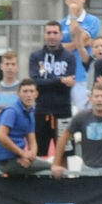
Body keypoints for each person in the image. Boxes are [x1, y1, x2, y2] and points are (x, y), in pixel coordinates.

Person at [52, 83, 102, 178]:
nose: (99, 99)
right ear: (90, 99)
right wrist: (56, 164)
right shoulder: (82, 116)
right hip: (88, 170)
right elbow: (63, 137)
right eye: (96, 96)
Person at [29, 21, 76, 157]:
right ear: (44, 35)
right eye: (49, 33)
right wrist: (60, 80)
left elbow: (69, 83)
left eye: (55, 33)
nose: (52, 36)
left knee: (66, 154)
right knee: (39, 154)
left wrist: (47, 81)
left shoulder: (69, 57)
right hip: (41, 111)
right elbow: (36, 82)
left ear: (61, 35)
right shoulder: (36, 56)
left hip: (63, 111)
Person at [0, 78, 51, 176]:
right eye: (25, 91)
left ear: (36, 94)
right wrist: (23, 154)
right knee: (51, 168)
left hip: (20, 157)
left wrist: (31, 157)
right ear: (18, 94)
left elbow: (32, 141)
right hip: (7, 161)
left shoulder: (30, 113)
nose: (28, 95)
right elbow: (1, 137)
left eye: (31, 91)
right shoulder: (11, 111)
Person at [60, 0, 100, 110]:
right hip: (65, 77)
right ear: (66, 1)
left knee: (85, 113)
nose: (74, 1)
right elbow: (58, 47)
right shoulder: (61, 24)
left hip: (83, 76)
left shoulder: (92, 20)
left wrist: (73, 16)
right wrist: (80, 43)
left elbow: (81, 37)